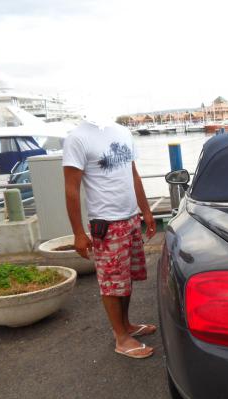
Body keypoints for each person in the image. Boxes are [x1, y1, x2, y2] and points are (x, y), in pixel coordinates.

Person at [63, 113, 157, 359]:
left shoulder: (122, 132)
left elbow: (133, 175)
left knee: (125, 280)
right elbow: (71, 188)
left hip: (130, 218)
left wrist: (145, 211)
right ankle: (121, 338)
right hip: (106, 223)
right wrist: (78, 233)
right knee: (112, 283)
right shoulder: (78, 137)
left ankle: (126, 326)